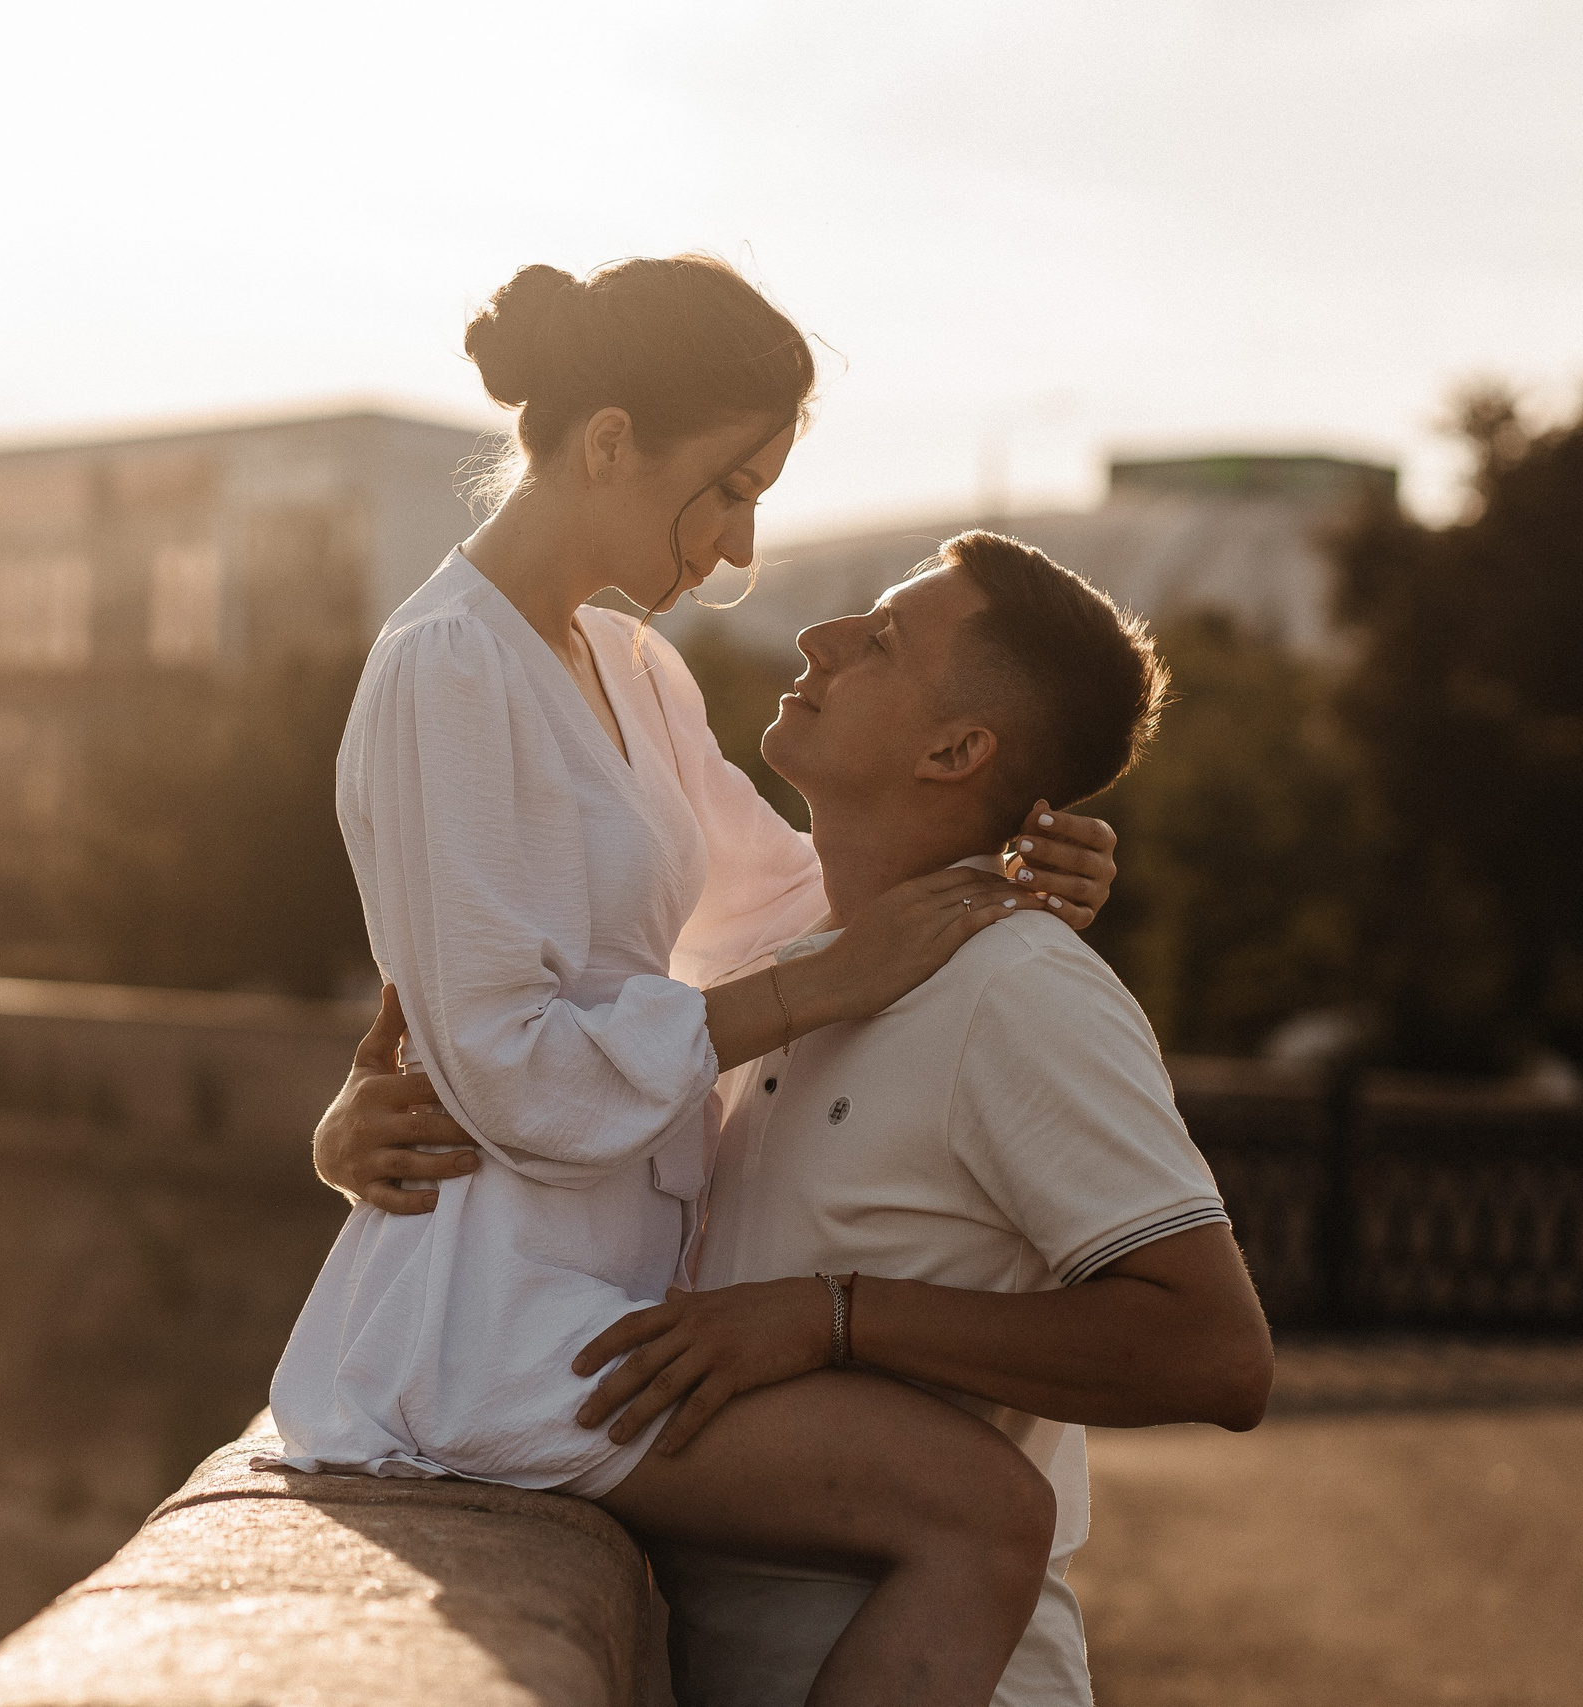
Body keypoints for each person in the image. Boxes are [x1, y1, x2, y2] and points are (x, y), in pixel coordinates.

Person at [268, 256, 1120, 1707]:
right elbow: (506, 1062)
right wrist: (813, 992)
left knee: (982, 1503)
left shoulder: (629, 665)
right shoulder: (444, 668)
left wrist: (1012, 857)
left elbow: (788, 899)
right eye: (728, 489)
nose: (739, 549)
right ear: (610, 441)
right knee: (977, 1509)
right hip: (498, 1325)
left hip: (622, 1292)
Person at [321, 531, 1276, 1706]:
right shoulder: (775, 971)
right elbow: (545, 1069)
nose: (820, 638)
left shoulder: (1019, 991)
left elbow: (1214, 1354)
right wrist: (358, 1129)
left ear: (954, 749)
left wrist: (831, 1318)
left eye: (880, 639)